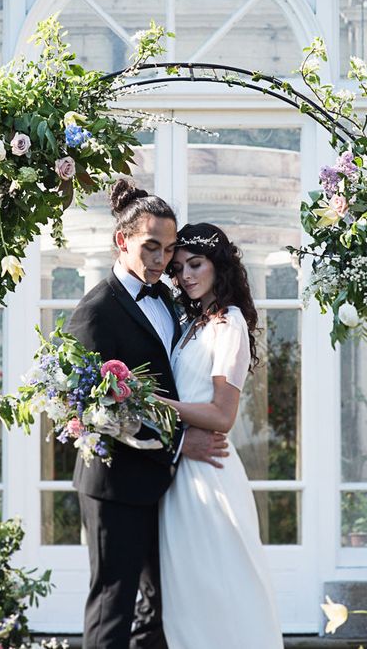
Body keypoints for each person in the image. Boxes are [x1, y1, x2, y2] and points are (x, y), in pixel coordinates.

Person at [67, 180, 229, 649]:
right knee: (112, 607)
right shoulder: (96, 312)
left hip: (166, 483)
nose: (161, 260)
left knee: (159, 610)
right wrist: (181, 441)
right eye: (151, 247)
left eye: (170, 249)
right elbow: (94, 410)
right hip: (114, 485)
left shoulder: (174, 301)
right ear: (123, 241)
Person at [158, 222, 284, 649]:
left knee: (222, 589)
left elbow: (222, 414)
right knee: (188, 595)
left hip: (210, 473)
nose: (186, 276)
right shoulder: (193, 323)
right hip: (181, 470)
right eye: (177, 269)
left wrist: (154, 405)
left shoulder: (228, 323)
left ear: (218, 265)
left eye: (195, 264)